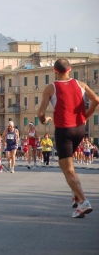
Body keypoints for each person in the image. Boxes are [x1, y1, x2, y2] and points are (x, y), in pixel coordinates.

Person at [38, 58, 97, 218]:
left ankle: (84, 202)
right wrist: (85, 116)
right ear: (69, 70)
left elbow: (41, 113)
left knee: (68, 169)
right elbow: (96, 100)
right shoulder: (81, 84)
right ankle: (76, 196)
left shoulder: (51, 88)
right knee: (65, 164)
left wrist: (44, 120)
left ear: (55, 71)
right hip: (79, 130)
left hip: (63, 131)